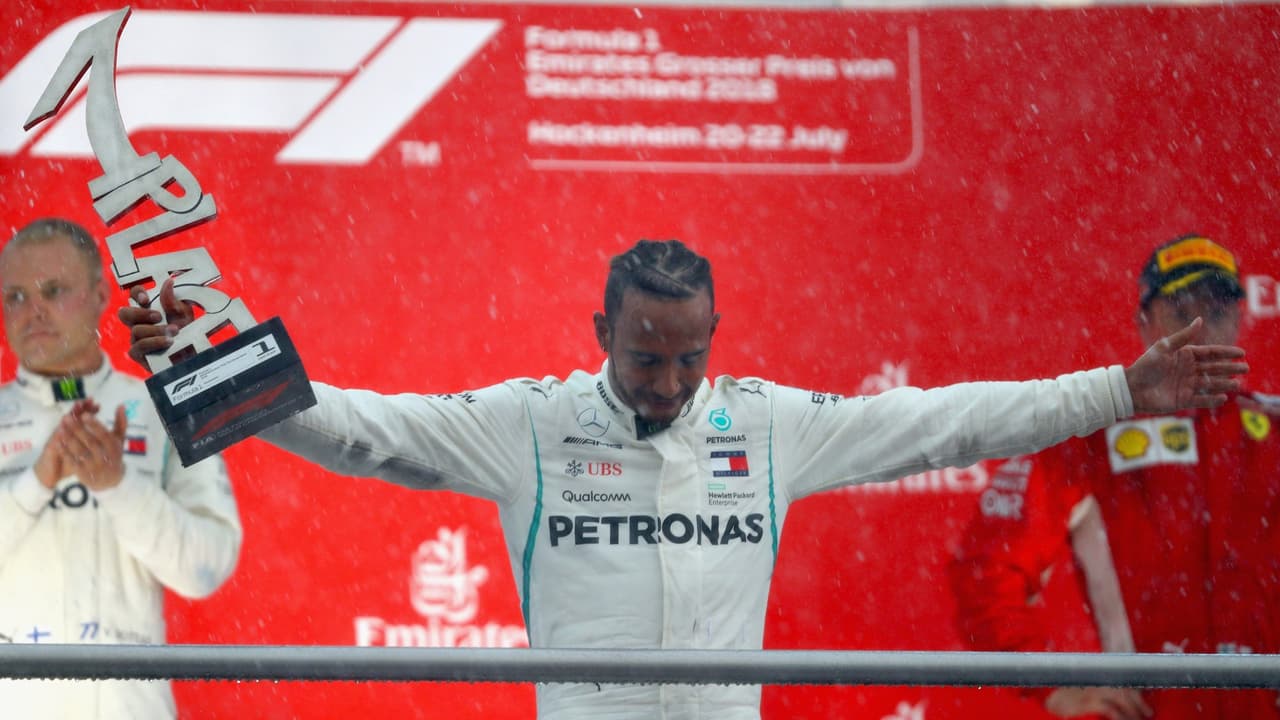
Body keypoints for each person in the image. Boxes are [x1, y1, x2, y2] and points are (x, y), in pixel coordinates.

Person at [121, 238, 1245, 720]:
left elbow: (942, 423)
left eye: (688, 358)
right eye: (642, 358)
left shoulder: (764, 424)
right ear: (598, 332)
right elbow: (353, 430)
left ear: (714, 337)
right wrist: (199, 364)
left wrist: (1118, 389)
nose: (666, 384)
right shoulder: (530, 423)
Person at [949, 234, 1280, 720]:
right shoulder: (1091, 436)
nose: (1201, 331)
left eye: (1217, 312)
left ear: (1239, 322)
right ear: (1144, 324)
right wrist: (1057, 687)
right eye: (1181, 312)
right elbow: (984, 572)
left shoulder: (1272, 431)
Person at [0, 218, 243, 719]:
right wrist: (36, 483)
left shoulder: (167, 413)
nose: (33, 311)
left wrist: (119, 486)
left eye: (53, 290)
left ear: (99, 295)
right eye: (16, 297)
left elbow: (205, 567)